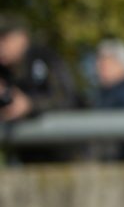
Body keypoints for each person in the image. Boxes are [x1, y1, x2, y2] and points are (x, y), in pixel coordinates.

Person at [0, 16, 82, 163]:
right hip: (23, 159)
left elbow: (66, 98)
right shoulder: (4, 72)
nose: (1, 46)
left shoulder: (45, 59)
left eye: (4, 39)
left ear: (22, 37)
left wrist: (30, 104)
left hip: (62, 156)